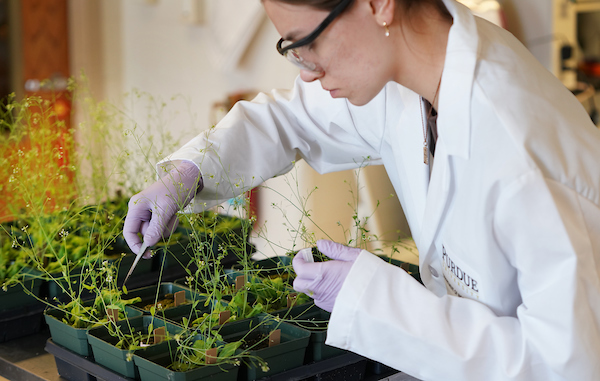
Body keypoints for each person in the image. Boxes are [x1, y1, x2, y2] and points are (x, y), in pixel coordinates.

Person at [123, 0, 600, 379]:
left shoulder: (524, 153)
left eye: (306, 43)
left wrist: (375, 300)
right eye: (289, 49)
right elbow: (292, 117)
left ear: (379, 5)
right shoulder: (411, 77)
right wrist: (190, 170)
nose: (306, 71)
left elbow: (567, 367)